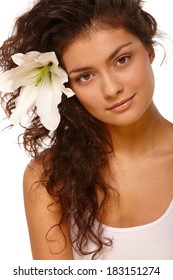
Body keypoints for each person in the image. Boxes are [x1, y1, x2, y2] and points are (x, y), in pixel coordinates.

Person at [0, 0, 173, 260]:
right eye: (85, 76)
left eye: (121, 60)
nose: (111, 88)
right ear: (66, 88)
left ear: (149, 50)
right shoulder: (49, 178)